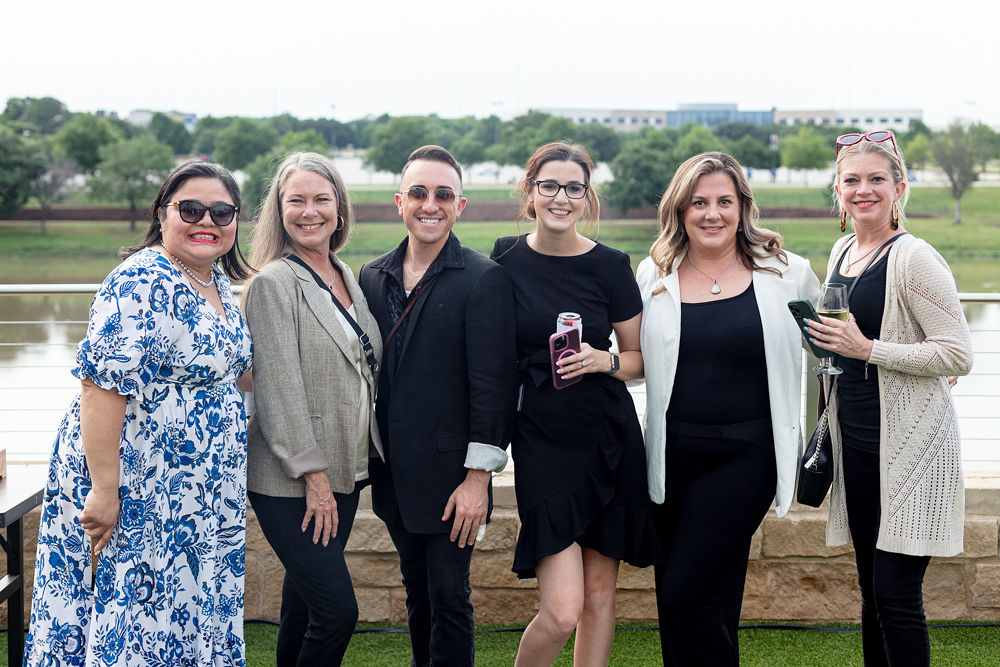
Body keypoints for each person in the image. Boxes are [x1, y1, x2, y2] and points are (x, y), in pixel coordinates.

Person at [24, 161, 253, 666]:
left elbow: (226, 372)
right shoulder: (142, 280)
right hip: (139, 480)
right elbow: (102, 387)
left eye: (222, 211)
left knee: (182, 603)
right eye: (190, 208)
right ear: (162, 213)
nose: (206, 221)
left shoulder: (213, 279)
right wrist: (105, 489)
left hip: (194, 491)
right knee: (135, 609)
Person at [636, 152, 821, 665]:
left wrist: (915, 352)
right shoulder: (654, 273)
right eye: (699, 202)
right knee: (699, 602)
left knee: (684, 593)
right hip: (671, 457)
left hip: (748, 455)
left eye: (724, 201)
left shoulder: (787, 272)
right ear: (680, 209)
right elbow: (636, 359)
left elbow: (834, 343)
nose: (711, 213)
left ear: (743, 206)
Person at [490, 141, 661, 666]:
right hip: (541, 442)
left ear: (587, 197)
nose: (561, 198)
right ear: (530, 192)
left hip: (607, 436)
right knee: (562, 609)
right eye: (549, 186)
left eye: (573, 188)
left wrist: (599, 361)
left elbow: (638, 358)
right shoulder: (503, 257)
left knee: (597, 597)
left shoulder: (611, 266)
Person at [805, 131, 973, 666]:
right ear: (838, 189)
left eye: (877, 179)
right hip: (857, 446)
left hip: (913, 452)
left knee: (897, 597)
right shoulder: (843, 250)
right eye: (852, 180)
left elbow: (957, 354)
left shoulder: (915, 258)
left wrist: (869, 348)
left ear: (899, 188)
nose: (863, 190)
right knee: (872, 591)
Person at [358, 145, 518, 666]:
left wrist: (478, 481)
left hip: (456, 479)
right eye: (420, 193)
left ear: (461, 205)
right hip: (395, 476)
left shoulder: (483, 277)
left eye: (443, 194)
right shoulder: (371, 276)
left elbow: (495, 390)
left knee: (450, 598)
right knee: (418, 592)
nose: (431, 204)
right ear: (399, 202)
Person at [243, 152, 383, 665]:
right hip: (294, 481)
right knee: (336, 613)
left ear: (340, 208)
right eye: (295, 200)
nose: (309, 211)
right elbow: (278, 391)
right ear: (278, 211)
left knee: (302, 607)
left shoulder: (345, 273)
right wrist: (316, 481)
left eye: (321, 199)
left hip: (346, 471)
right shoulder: (273, 283)